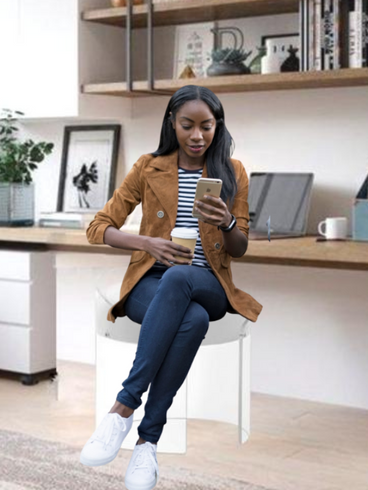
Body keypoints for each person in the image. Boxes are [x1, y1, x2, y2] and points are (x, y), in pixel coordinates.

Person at [79, 85, 263, 490]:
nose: (197, 136)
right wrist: (147, 243)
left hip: (209, 283)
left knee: (184, 280)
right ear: (172, 124)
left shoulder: (233, 173)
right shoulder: (148, 167)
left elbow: (241, 248)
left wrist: (227, 222)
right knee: (191, 320)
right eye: (187, 126)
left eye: (207, 127)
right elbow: (97, 228)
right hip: (152, 283)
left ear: (218, 127)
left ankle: (122, 407)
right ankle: (147, 442)